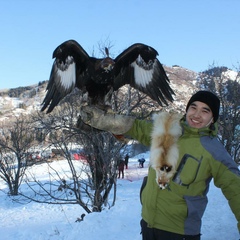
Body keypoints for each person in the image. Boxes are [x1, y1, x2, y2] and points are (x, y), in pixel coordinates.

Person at [79, 90, 240, 239]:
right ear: (187, 109)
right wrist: (103, 120)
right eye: (193, 107)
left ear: (213, 119)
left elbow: (235, 188)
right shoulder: (167, 130)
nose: (197, 114)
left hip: (179, 232)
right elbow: (137, 127)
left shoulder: (214, 151)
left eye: (205, 111)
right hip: (148, 223)